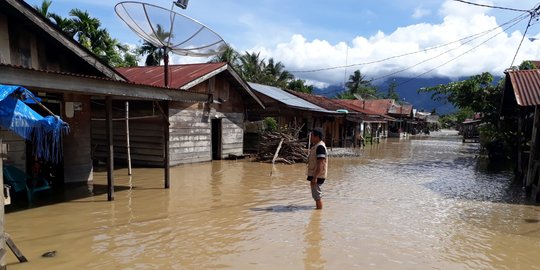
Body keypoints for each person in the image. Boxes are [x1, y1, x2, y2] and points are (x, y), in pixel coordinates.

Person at [307, 127, 328, 210]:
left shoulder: (320, 147)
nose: (311, 137)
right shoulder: (317, 146)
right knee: (316, 195)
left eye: (312, 135)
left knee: (317, 196)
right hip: (316, 174)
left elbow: (321, 163)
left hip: (318, 175)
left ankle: (318, 214)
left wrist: (315, 177)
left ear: (317, 136)